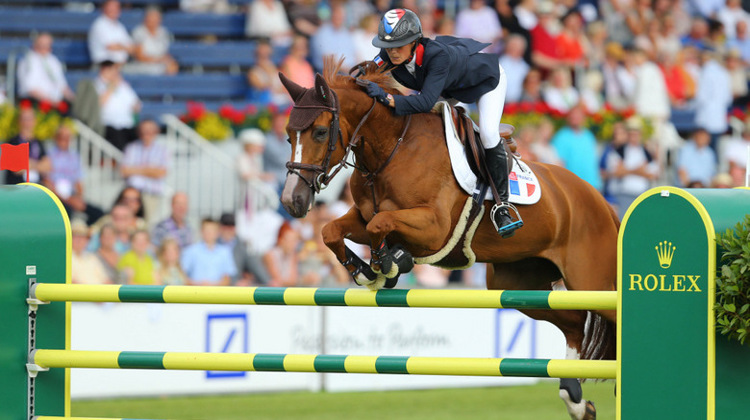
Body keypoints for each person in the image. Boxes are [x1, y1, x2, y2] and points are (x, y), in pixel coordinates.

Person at [364, 8, 521, 237]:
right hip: (448, 87)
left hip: (486, 81)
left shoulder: (437, 56)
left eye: (399, 45)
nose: (393, 52)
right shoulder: (389, 53)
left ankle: (502, 206)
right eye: (388, 46)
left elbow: (426, 101)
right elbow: (369, 68)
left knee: (487, 133)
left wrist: (387, 98)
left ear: (415, 41)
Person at [44, 125, 104, 225]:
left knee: (98, 213)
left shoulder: (74, 156)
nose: (65, 141)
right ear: (56, 138)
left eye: (67, 138)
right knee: (67, 213)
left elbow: (78, 181)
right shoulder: (48, 154)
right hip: (55, 196)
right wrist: (69, 200)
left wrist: (79, 197)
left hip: (71, 195)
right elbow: (47, 182)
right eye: (62, 137)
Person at [604, 118, 659, 218]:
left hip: (641, 194)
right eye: (631, 133)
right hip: (623, 194)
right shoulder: (618, 151)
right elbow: (615, 172)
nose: (633, 137)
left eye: (636, 133)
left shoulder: (646, 152)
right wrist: (638, 170)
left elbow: (653, 174)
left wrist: (626, 170)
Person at [120, 119, 169, 226]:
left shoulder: (162, 150)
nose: (146, 134)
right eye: (144, 131)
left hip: (151, 195)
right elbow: (124, 171)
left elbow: (161, 172)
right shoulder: (131, 147)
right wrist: (149, 169)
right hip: (132, 195)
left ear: (156, 132)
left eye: (149, 130)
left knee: (145, 225)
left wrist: (136, 169)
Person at [551, 105, 602, 191]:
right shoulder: (561, 137)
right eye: (573, 115)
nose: (575, 118)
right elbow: (558, 164)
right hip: (572, 186)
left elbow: (593, 162)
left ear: (583, 118)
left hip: (592, 186)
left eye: (578, 115)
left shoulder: (589, 136)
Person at [17, 33, 75, 105]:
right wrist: (51, 102)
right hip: (36, 102)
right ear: (35, 44)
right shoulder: (28, 61)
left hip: (56, 102)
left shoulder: (53, 60)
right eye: (42, 44)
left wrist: (74, 100)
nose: (44, 47)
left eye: (47, 44)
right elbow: (30, 89)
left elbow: (62, 86)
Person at [95, 60, 141, 151]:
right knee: (119, 140)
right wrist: (111, 87)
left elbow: (136, 105)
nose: (115, 73)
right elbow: (99, 104)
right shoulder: (96, 85)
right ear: (104, 70)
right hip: (108, 124)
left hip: (126, 124)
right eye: (112, 70)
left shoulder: (123, 86)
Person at [218, 212, 270, 286]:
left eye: (231, 226)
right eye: (226, 226)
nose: (228, 230)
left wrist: (268, 281)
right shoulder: (213, 244)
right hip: (218, 285)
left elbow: (254, 265)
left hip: (236, 286)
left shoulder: (241, 246)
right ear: (220, 228)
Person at [181, 218, 237, 286]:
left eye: (212, 231)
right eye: (206, 230)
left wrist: (211, 286)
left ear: (217, 233)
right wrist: (200, 284)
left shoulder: (225, 252)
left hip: (217, 294)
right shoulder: (190, 251)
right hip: (195, 293)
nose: (209, 233)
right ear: (201, 231)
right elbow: (182, 276)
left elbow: (227, 279)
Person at [3, 108, 50, 185]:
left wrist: (28, 163)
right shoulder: (13, 142)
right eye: (25, 119)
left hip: (37, 187)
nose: (27, 122)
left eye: (30, 119)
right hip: (17, 187)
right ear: (19, 121)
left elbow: (47, 166)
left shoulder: (38, 142)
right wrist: (38, 164)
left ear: (35, 121)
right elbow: (16, 169)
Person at [128, 6, 179, 75]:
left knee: (173, 67)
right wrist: (158, 60)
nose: (153, 20)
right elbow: (139, 56)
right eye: (151, 17)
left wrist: (167, 60)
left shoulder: (163, 32)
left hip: (159, 64)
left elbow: (164, 53)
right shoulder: (139, 31)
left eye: (156, 18)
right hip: (142, 65)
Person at [309, 3, 356, 72]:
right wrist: (348, 70)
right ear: (332, 15)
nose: (339, 18)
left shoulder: (345, 32)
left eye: (342, 16)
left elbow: (355, 53)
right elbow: (329, 59)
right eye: (337, 15)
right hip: (332, 72)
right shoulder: (322, 33)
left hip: (349, 70)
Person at [88, 0, 133, 64]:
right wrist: (124, 47)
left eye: (117, 7)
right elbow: (111, 46)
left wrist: (120, 46)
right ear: (104, 8)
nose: (114, 9)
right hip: (104, 66)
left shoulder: (120, 26)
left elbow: (131, 48)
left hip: (120, 65)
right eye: (111, 7)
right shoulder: (100, 24)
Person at [247, 39, 289, 106]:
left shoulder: (276, 70)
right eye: (261, 55)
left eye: (267, 54)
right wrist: (268, 72)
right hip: (264, 102)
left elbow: (283, 88)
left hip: (280, 100)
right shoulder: (253, 73)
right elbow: (263, 89)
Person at [70, 219, 111, 285]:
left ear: (87, 240)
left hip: (100, 293)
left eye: (82, 236)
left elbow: (106, 280)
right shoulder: (65, 258)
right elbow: (71, 282)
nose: (79, 240)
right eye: (75, 236)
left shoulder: (92, 257)